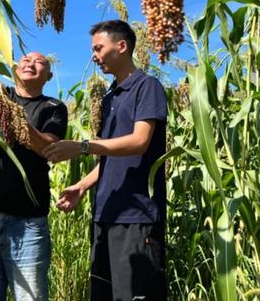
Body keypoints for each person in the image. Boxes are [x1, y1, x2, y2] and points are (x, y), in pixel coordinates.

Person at [43, 20, 167, 301]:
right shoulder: (111, 96)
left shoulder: (146, 87)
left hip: (136, 217)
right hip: (104, 215)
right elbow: (112, 158)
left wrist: (82, 146)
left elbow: (139, 142)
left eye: (98, 48)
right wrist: (82, 186)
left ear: (122, 46)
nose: (94, 56)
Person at [0, 52, 68, 301]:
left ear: (49, 76)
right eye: (25, 59)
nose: (30, 63)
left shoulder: (53, 108)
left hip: (29, 226)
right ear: (14, 69)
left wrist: (12, 116)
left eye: (39, 62)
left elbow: (48, 148)